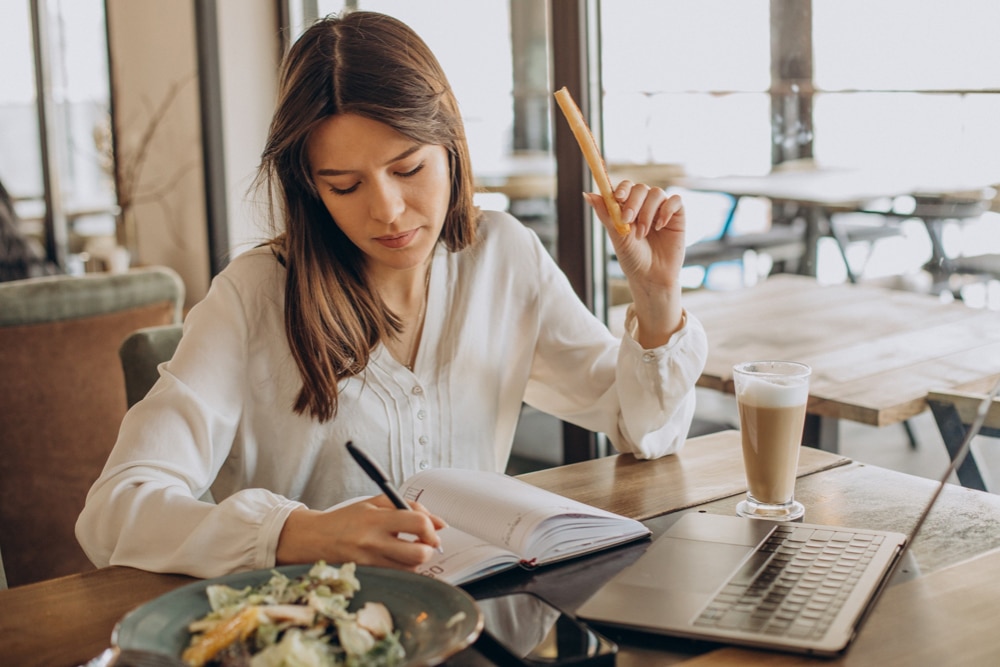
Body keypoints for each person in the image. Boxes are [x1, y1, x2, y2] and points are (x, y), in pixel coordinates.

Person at [76, 10, 708, 579]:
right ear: (310, 189)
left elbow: (639, 427)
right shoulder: (252, 297)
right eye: (344, 185)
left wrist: (656, 300)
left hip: (481, 615)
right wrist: (301, 533)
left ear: (452, 149)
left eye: (409, 169)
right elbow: (115, 510)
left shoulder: (503, 256)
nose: (388, 211)